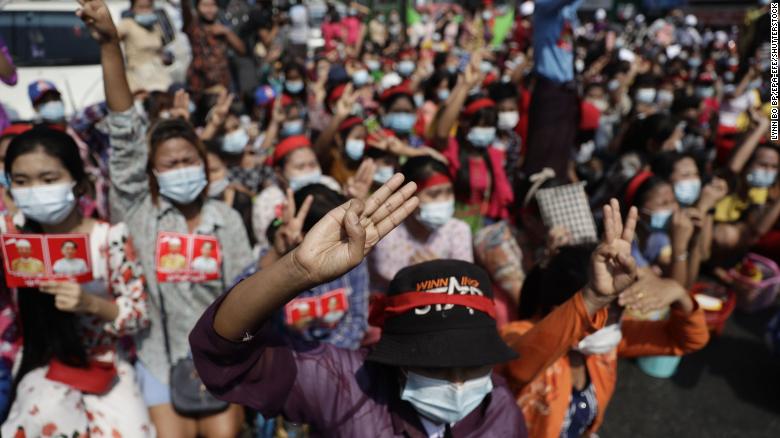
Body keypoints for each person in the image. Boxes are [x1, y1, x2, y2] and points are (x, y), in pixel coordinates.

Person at [80, 1, 252, 434]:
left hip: (218, 360)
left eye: (188, 160)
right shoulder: (139, 213)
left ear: (204, 161)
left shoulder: (226, 220)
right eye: (170, 164)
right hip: (156, 357)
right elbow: (124, 130)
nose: (181, 168)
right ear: (153, 174)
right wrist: (109, 44)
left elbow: (245, 297)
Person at [1, 126, 152, 436]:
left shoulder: (109, 238)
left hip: (106, 365)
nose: (35, 190)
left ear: (79, 184)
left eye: (48, 179)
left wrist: (91, 304)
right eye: (21, 181)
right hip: (41, 362)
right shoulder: (11, 238)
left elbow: (138, 312)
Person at [500, 242, 709, 438]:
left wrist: (681, 297)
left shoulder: (600, 349)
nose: (614, 323)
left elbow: (685, 340)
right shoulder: (517, 335)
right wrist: (593, 297)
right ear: (564, 310)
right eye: (601, 313)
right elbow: (520, 367)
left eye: (620, 312)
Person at [369, 156, 473, 292]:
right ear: (409, 196)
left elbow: (466, 282)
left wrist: (438, 271)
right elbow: (389, 279)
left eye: (449, 192)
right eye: (434, 194)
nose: (444, 201)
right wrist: (432, 275)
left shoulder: (458, 230)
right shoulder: (386, 232)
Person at [181, 0, 246, 103]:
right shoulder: (193, 27)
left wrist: (226, 32)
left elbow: (242, 50)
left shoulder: (222, 29)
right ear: (197, 7)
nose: (209, 9)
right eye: (205, 5)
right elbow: (186, 11)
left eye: (212, 5)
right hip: (199, 87)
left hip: (221, 86)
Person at [116, 0, 173, 94]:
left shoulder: (156, 26)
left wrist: (165, 58)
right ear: (132, 9)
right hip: (138, 78)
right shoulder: (127, 24)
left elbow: (161, 49)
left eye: (148, 7)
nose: (145, 11)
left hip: (159, 74)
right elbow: (112, 39)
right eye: (141, 7)